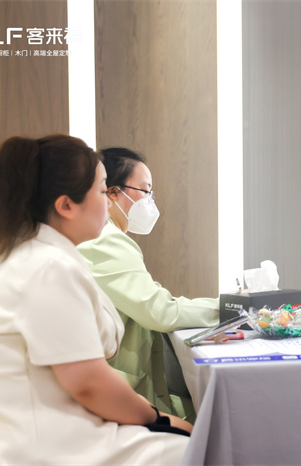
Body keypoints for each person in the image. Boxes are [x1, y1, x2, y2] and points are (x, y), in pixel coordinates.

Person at [0, 135, 192, 465]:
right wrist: (158, 419)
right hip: (52, 448)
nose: (109, 203)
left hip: (49, 431)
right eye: (102, 191)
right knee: (213, 446)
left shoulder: (40, 257)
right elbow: (88, 383)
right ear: (66, 205)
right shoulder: (47, 268)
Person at [77, 147, 218, 421]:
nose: (150, 202)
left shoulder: (106, 237)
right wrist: (230, 308)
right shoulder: (107, 239)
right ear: (112, 192)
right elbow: (160, 311)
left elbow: (155, 300)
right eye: (145, 191)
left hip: (120, 384)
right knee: (216, 416)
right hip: (116, 392)